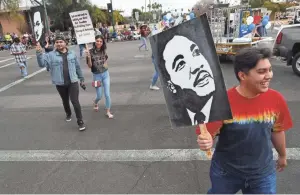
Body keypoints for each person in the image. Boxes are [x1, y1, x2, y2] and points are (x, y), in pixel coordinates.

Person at [196, 47, 293, 194]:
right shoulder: (222, 102)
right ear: (242, 75)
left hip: (262, 174)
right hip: (226, 172)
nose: (269, 76)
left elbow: (278, 130)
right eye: (262, 72)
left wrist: (283, 155)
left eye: (270, 70)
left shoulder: (276, 99)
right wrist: (206, 141)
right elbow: (206, 135)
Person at [36, 36, 86, 131]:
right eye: (57, 42)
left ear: (65, 43)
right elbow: (41, 64)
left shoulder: (72, 53)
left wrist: (81, 78)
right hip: (60, 83)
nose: (59, 44)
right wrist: (39, 53)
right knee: (65, 100)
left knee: (75, 101)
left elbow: (77, 67)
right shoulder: (50, 55)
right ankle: (68, 113)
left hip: (73, 81)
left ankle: (80, 121)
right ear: (55, 44)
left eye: (61, 42)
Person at [86, 35, 114, 119]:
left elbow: (105, 59)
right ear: (94, 41)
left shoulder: (103, 50)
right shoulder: (90, 52)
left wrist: (105, 64)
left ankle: (108, 111)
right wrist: (88, 57)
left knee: (107, 94)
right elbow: (89, 66)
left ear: (102, 43)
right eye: (97, 41)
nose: (99, 43)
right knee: (99, 96)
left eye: (101, 41)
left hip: (105, 74)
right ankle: (95, 102)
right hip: (96, 75)